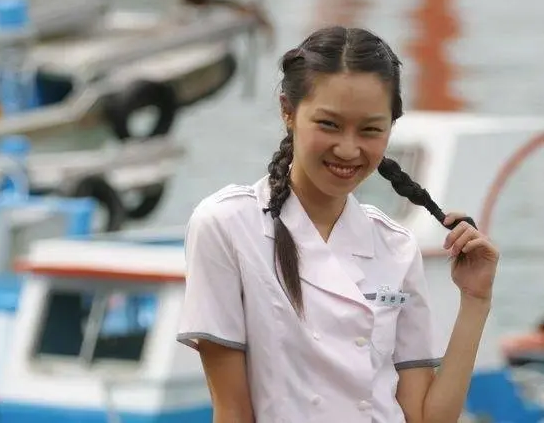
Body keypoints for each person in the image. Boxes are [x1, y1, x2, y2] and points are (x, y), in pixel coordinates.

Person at [176, 26, 499, 423]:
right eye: (329, 124)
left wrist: (475, 300)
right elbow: (232, 411)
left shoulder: (396, 245)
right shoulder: (227, 225)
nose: (348, 149)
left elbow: (426, 419)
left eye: (370, 130)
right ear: (288, 110)